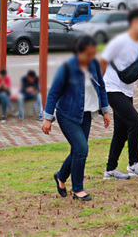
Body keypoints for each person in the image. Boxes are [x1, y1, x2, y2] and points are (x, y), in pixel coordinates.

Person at [42, 35, 112, 202]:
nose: (90, 57)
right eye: (87, 54)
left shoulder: (94, 64)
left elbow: (101, 87)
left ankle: (61, 176)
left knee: (77, 150)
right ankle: (78, 189)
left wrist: (106, 111)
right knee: (82, 149)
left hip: (86, 115)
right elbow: (53, 93)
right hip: (67, 115)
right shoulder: (67, 68)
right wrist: (47, 118)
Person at [100, 7, 138, 179]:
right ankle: (133, 163)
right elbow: (102, 61)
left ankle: (110, 170)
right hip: (111, 88)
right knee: (136, 123)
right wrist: (100, 88)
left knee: (120, 132)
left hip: (127, 90)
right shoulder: (119, 41)